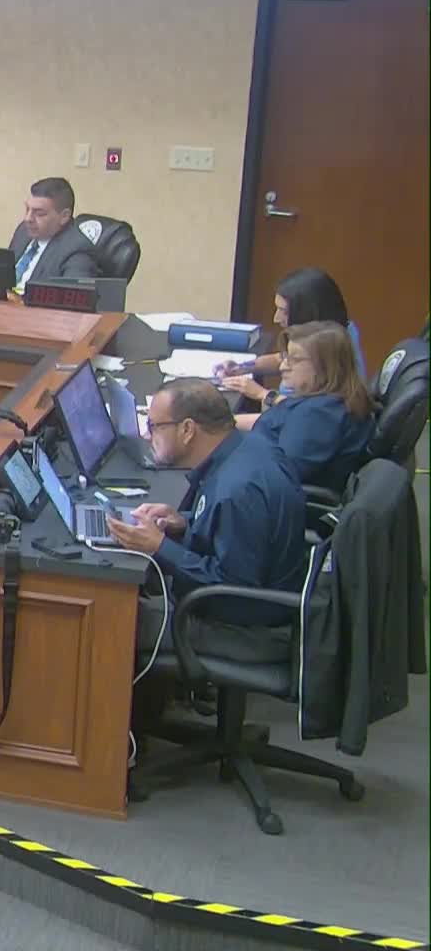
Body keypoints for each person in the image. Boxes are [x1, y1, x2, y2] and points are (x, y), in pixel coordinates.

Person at [106, 378, 308, 666]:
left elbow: (232, 588)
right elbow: (240, 537)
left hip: (249, 629)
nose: (148, 437)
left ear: (187, 429)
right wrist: (185, 523)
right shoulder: (248, 447)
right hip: (265, 601)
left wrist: (159, 546)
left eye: (154, 426)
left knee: (113, 619)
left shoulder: (236, 491)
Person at [234, 321, 374, 492]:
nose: (283, 366)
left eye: (295, 360)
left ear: (325, 366)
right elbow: (276, 421)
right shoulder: (323, 399)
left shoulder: (319, 415)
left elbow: (278, 477)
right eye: (285, 357)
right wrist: (224, 421)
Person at [218, 266, 365, 386]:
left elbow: (301, 410)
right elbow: (284, 358)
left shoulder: (329, 354)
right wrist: (241, 367)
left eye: (284, 311)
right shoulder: (335, 332)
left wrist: (260, 394)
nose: (276, 319)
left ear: (306, 313)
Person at [4, 177, 98, 291]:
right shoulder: (23, 232)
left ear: (64, 216)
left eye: (39, 213)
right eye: (27, 209)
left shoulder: (77, 251)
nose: (28, 218)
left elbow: (72, 297)